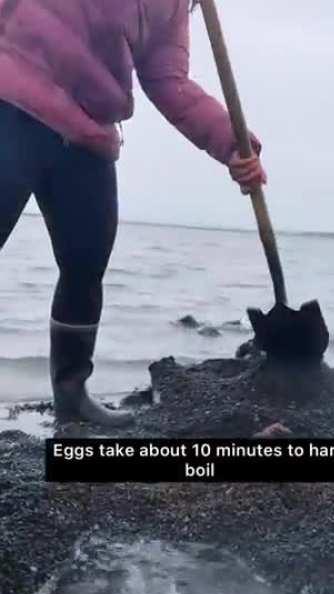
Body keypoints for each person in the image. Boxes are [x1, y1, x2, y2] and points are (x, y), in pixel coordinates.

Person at [0, 0, 267, 426]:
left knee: (86, 265)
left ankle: (72, 396)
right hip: (10, 102)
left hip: (88, 134)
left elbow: (168, 82)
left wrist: (233, 142)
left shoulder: (175, 5)